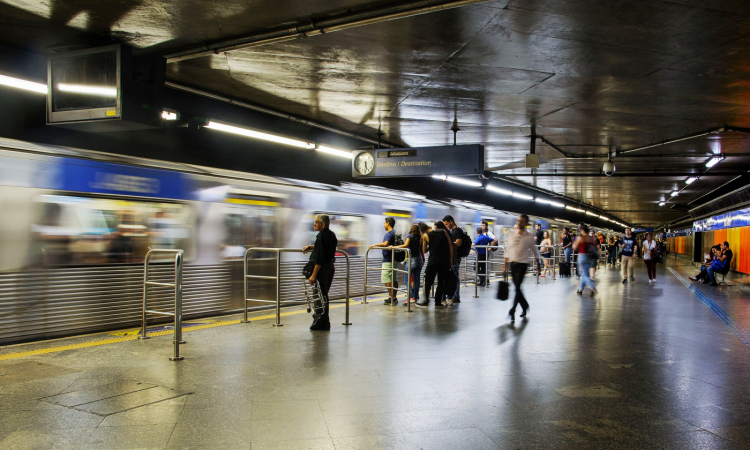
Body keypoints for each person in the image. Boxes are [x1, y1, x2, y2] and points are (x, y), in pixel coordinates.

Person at [301, 214, 337, 330]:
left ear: (323, 224)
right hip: (330, 268)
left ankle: (320, 322)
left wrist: (313, 275)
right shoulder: (331, 235)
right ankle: (324, 322)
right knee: (323, 295)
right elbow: (324, 248)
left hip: (322, 270)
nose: (314, 224)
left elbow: (320, 258)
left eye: (316, 222)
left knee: (319, 296)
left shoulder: (321, 236)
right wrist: (311, 247)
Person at [504, 214, 539, 321]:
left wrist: (538, 264)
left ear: (526, 223)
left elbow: (535, 251)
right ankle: (525, 305)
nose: (519, 223)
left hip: (523, 264)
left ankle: (513, 310)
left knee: (517, 287)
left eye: (522, 221)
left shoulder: (529, 237)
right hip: (512, 264)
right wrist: (504, 265)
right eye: (519, 221)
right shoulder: (511, 234)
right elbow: (507, 250)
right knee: (517, 288)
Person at [417, 221, 453, 308]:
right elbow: (450, 246)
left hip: (433, 261)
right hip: (444, 261)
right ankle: (438, 302)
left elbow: (424, 251)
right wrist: (451, 260)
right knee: (441, 282)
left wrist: (430, 246)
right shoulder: (443, 231)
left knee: (428, 282)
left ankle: (425, 301)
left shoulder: (425, 236)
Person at [369, 217, 399, 305]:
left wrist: (374, 245)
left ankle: (391, 297)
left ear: (388, 223)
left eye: (385, 223)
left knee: (386, 278)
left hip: (388, 260)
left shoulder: (389, 234)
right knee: (394, 278)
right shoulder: (394, 233)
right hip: (394, 259)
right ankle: (394, 297)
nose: (384, 225)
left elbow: (386, 244)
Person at [393, 223, 423, 304]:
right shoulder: (420, 238)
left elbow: (405, 245)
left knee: (407, 279)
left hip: (411, 259)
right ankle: (415, 296)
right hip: (419, 259)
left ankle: (410, 297)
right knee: (416, 279)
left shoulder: (409, 236)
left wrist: (394, 247)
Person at [442, 215, 464, 304]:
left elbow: (458, 243)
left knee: (454, 276)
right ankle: (451, 295)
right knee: (452, 276)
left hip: (456, 257)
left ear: (451, 221)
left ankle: (456, 296)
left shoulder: (458, 231)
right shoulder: (451, 231)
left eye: (447, 224)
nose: (446, 226)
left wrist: (448, 243)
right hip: (452, 257)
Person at [573, 223, 598, 296]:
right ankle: (580, 289)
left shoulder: (581, 238)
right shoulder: (591, 238)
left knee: (583, 274)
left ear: (582, 230)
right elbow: (594, 247)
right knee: (584, 273)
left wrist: (575, 241)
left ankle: (592, 286)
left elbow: (575, 247)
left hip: (582, 256)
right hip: (589, 257)